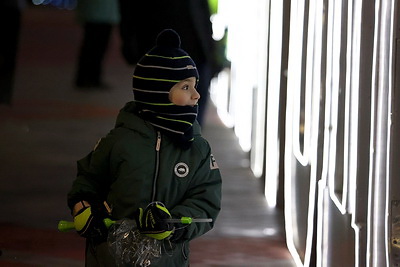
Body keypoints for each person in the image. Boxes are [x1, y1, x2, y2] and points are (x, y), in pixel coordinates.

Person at [67, 29, 222, 266]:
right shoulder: (119, 141)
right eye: (186, 87)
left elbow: (206, 202)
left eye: (195, 86)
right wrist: (86, 210)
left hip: (168, 259)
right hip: (110, 258)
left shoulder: (196, 150)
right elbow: (87, 182)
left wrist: (173, 222)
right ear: (159, 92)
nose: (197, 95)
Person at [117, 0, 218, 125]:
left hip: (197, 49)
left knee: (194, 112)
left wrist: (210, 46)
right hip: (161, 50)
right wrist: (128, 42)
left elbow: (202, 10)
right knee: (161, 111)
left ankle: (190, 140)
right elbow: (129, 10)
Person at [74, 0, 120, 89]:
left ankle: (91, 78)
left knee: (97, 47)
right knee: (93, 47)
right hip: (98, 15)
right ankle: (87, 78)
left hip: (101, 14)